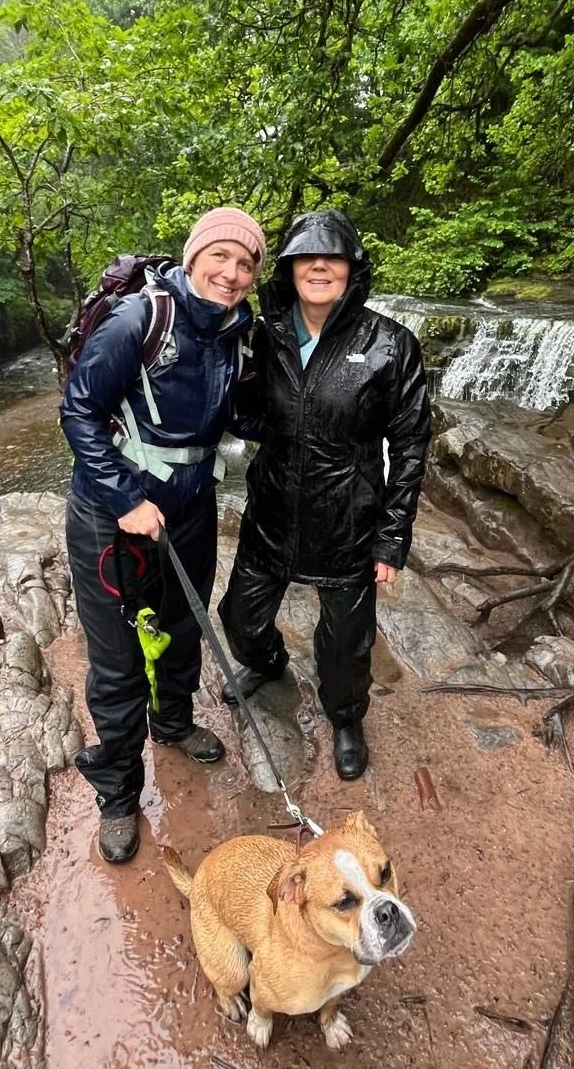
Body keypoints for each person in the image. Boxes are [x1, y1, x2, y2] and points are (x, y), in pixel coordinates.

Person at [60, 207, 264, 863]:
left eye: (246, 263)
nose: (232, 273)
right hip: (109, 518)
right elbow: (79, 411)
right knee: (117, 661)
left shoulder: (237, 333)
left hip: (192, 507)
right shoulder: (139, 320)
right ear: (195, 255)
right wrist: (124, 498)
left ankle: (173, 722)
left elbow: (240, 412)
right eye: (221, 257)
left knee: (183, 627)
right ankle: (118, 794)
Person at [218, 209, 431, 781]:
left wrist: (391, 539)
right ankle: (269, 665)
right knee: (239, 620)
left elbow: (410, 445)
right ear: (286, 270)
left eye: (331, 257)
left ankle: (345, 716)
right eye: (304, 257)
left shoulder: (390, 345)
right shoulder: (264, 335)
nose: (318, 266)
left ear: (351, 269)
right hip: (273, 513)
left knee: (344, 646)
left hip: (349, 520)